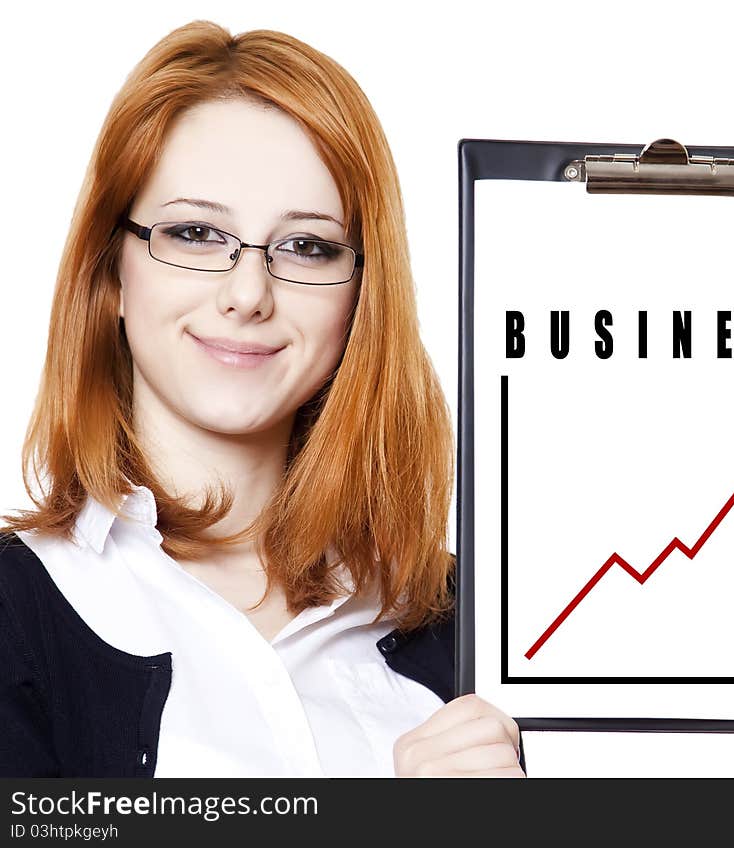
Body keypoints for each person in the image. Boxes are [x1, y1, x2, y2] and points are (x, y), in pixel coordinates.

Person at [0, 20, 525, 778]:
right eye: (194, 234)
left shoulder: (478, 624)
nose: (248, 294)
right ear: (109, 274)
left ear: (361, 297)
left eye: (308, 246)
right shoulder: (19, 615)